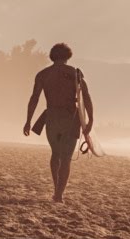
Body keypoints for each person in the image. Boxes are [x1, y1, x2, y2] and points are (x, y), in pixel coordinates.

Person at [24, 42, 93, 203]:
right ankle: (59, 194)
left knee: (56, 154)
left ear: (52, 56)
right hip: (70, 117)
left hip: (52, 117)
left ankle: (56, 188)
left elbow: (34, 98)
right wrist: (90, 119)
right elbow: (86, 97)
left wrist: (28, 121)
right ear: (68, 56)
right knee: (66, 157)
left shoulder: (43, 74)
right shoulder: (75, 73)